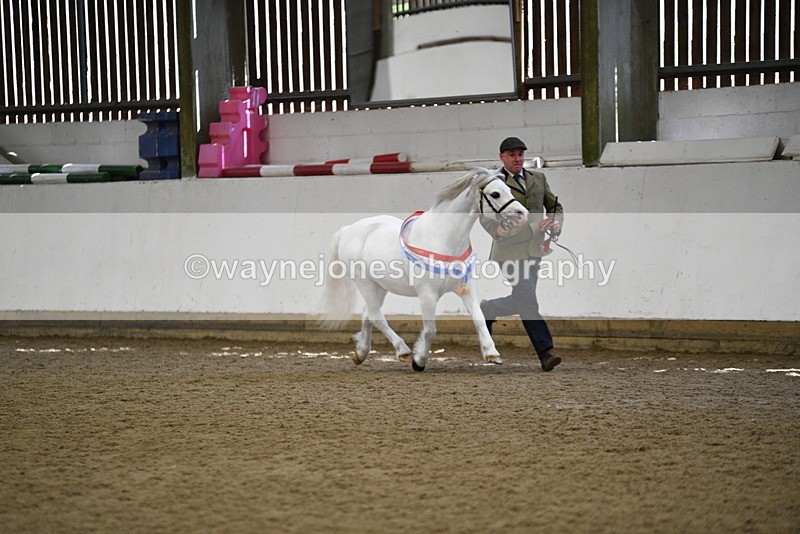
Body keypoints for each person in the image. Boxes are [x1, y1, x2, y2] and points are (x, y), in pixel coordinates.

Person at [480, 136, 564, 371]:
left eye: (520, 154)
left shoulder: (538, 178)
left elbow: (554, 206)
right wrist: (496, 230)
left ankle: (490, 309)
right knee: (528, 300)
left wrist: (555, 223)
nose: (517, 159)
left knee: (522, 300)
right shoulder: (493, 182)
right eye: (512, 155)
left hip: (534, 249)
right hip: (508, 250)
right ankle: (545, 352)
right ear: (502, 157)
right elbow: (484, 215)